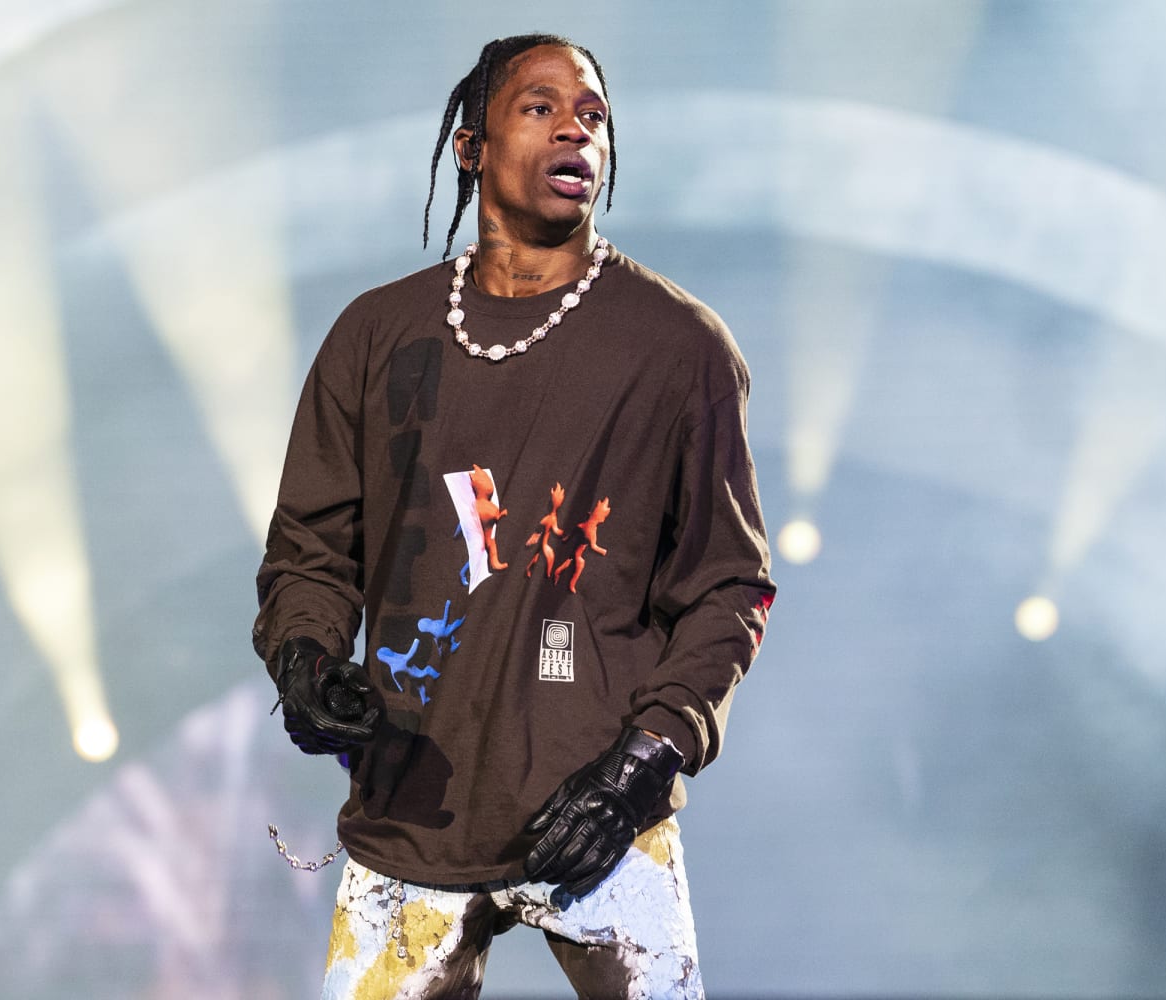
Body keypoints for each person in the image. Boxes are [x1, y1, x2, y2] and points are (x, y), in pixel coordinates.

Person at [253, 32, 776, 1000]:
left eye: (594, 116)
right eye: (540, 107)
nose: (576, 130)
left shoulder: (678, 347)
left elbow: (728, 589)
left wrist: (636, 766)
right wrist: (306, 660)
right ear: (470, 146)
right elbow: (310, 551)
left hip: (604, 823)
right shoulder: (377, 334)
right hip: (409, 814)